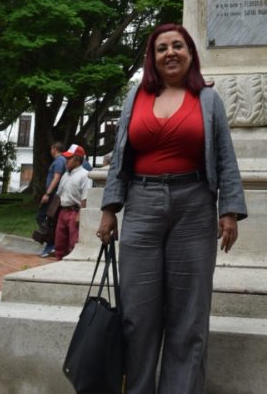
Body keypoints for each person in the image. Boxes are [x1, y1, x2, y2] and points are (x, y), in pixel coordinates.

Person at [97, 23, 247, 394]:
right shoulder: (137, 96)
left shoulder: (208, 99)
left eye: (178, 45)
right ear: (153, 58)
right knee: (138, 314)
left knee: (189, 316)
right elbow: (120, 156)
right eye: (162, 48)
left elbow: (225, 158)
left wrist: (228, 209)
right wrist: (109, 208)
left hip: (194, 205)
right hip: (142, 204)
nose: (170, 53)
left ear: (191, 53)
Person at [53, 144, 90, 260]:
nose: (66, 161)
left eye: (69, 158)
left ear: (77, 160)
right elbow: (59, 194)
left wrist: (80, 214)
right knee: (59, 242)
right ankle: (58, 264)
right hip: (63, 211)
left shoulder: (85, 175)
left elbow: (85, 197)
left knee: (73, 243)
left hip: (74, 212)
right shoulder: (66, 174)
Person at [36, 141, 66, 257]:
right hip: (54, 194)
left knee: (43, 218)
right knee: (50, 220)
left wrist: (47, 193)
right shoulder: (61, 160)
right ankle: (51, 244)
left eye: (51, 149)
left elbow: (56, 177)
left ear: (54, 149)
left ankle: (51, 244)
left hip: (53, 195)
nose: (50, 151)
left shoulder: (59, 161)